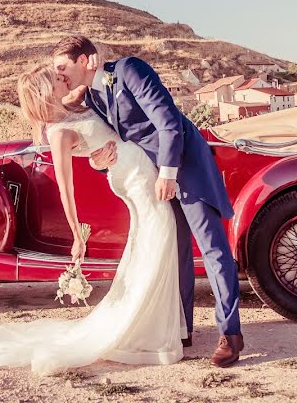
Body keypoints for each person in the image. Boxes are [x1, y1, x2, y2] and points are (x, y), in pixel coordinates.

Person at [0, 63, 185, 375]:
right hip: (134, 180)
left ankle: (151, 327)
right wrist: (77, 236)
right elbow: (65, 189)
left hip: (137, 170)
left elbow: (94, 79)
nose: (62, 78)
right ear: (46, 92)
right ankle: (145, 332)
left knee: (150, 246)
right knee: (158, 241)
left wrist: (97, 158)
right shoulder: (58, 133)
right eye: (56, 79)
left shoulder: (73, 103)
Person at [52, 35, 243, 368]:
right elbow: (116, 144)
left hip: (185, 168)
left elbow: (169, 122)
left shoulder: (129, 70)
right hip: (155, 180)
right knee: (178, 252)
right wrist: (99, 162)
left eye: (61, 66)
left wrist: (168, 173)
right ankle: (182, 329)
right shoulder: (95, 97)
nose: (60, 73)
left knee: (213, 250)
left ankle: (231, 333)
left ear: (83, 61)